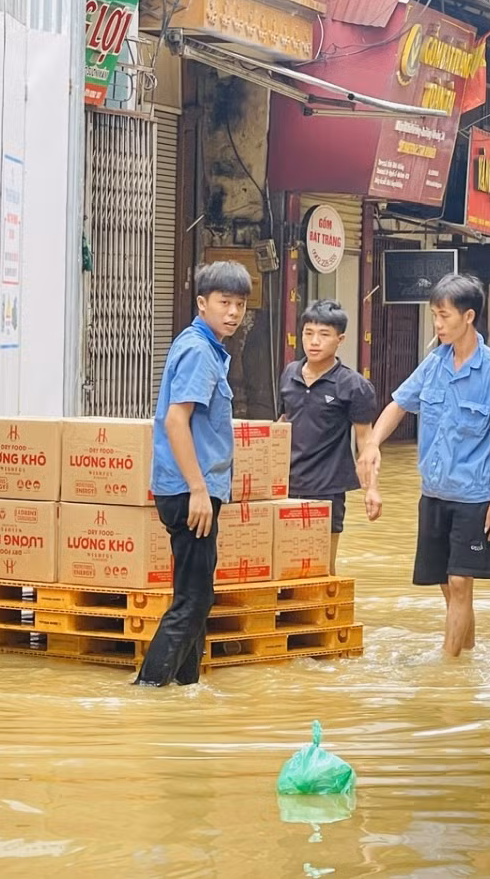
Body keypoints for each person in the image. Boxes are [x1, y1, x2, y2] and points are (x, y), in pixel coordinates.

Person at [357, 274, 490, 658]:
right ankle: (467, 654)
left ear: (468, 316)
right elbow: (398, 404)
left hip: (474, 496)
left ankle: (447, 668)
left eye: (444, 315)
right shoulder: (434, 364)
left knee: (461, 581)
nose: (437, 323)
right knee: (448, 586)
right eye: (434, 314)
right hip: (434, 492)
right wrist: (372, 444)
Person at [134, 261, 251, 687]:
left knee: (197, 597)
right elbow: (175, 420)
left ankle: (186, 690)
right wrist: (199, 490)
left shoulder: (203, 347)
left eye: (240, 304)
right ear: (202, 303)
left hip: (189, 489)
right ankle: (148, 689)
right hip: (189, 492)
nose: (233, 313)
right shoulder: (200, 351)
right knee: (193, 599)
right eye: (224, 302)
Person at [279, 300, 381, 574]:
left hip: (327, 489)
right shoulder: (289, 374)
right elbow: (282, 424)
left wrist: (371, 489)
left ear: (340, 339)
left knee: (322, 568)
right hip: (285, 486)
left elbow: (366, 442)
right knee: (283, 566)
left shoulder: (354, 386)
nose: (314, 341)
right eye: (308, 333)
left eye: (324, 334)